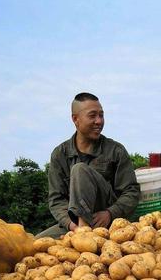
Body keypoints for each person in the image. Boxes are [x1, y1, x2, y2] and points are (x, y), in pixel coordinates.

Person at [38, 92, 140, 237]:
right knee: (33, 245)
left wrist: (110, 213)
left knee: (79, 169)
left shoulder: (115, 151)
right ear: (75, 119)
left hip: (109, 222)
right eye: (92, 116)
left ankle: (84, 233)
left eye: (101, 115)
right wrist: (71, 225)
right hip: (75, 225)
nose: (99, 121)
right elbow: (56, 200)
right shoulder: (60, 154)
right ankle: (83, 229)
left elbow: (131, 192)